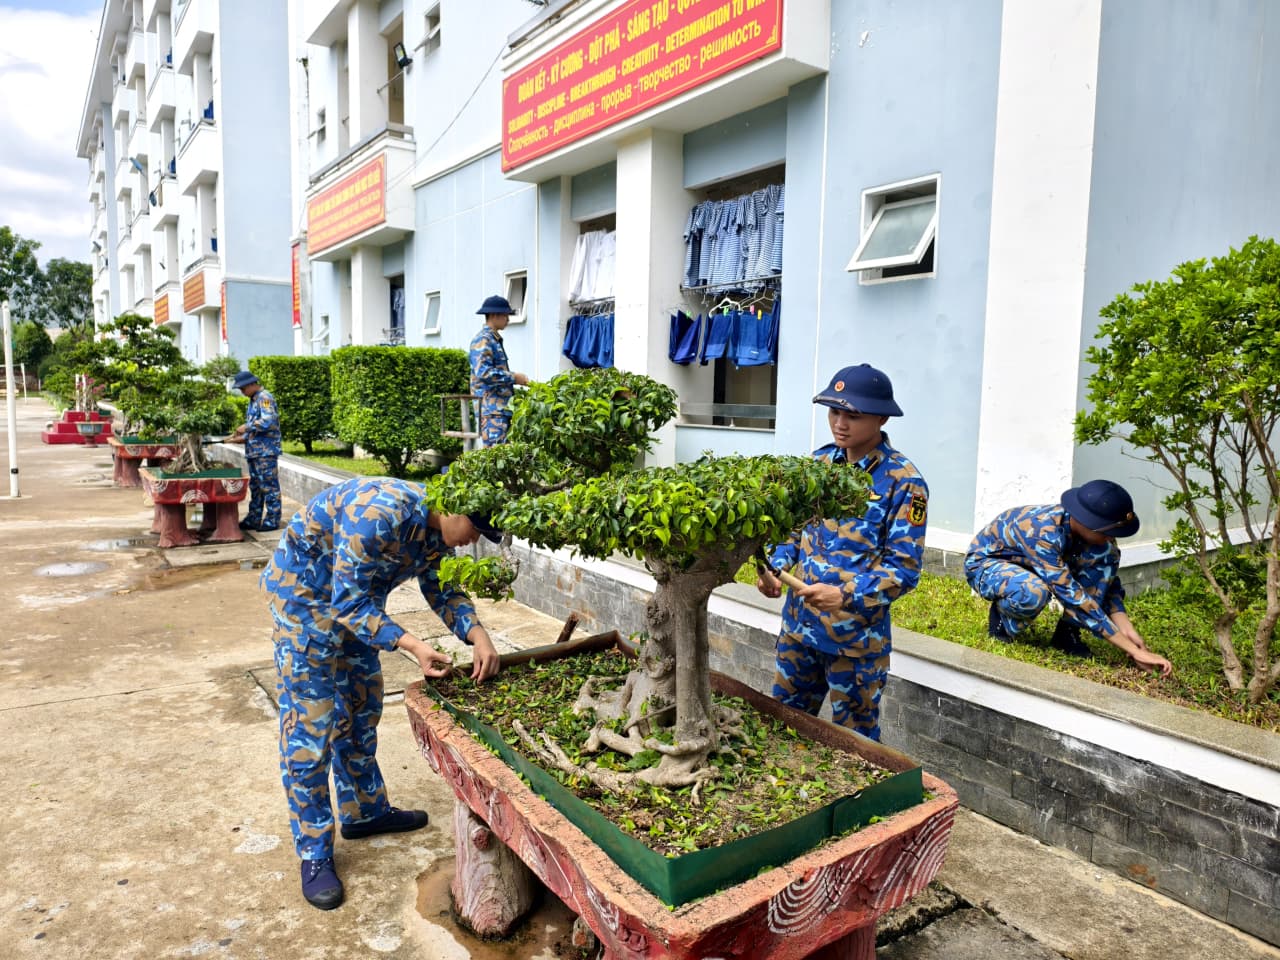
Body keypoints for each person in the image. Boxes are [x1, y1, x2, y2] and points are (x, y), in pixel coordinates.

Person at [259, 476, 504, 910]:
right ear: (454, 510)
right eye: (474, 531)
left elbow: (441, 586)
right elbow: (346, 603)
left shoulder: (435, 531)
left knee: (361, 706)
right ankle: (314, 854)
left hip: (356, 606)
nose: (471, 544)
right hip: (303, 604)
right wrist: (412, 645)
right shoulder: (379, 514)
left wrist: (477, 633)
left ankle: (364, 811)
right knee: (310, 730)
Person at [757, 364, 929, 741]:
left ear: (882, 417)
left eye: (853, 415)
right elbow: (792, 529)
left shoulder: (904, 483)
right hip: (799, 632)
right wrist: (775, 566)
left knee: (856, 747)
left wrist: (846, 596)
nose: (840, 423)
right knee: (780, 729)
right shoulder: (817, 465)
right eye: (834, 412)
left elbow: (904, 569)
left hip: (854, 644)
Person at [965, 479, 1173, 677]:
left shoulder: (1097, 539)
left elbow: (1108, 585)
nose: (1111, 538)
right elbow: (1070, 593)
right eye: (1107, 532)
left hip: (1036, 566)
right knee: (1032, 591)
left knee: (1106, 555)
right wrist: (1133, 651)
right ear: (1087, 522)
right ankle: (1002, 620)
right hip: (989, 564)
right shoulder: (1042, 531)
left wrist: (1129, 633)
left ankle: (1067, 634)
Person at [468, 294, 528, 446]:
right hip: (491, 410)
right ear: (494, 315)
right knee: (496, 459)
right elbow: (484, 373)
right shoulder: (484, 339)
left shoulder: (493, 339)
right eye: (506, 315)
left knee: (506, 458)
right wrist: (514, 377)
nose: (508, 319)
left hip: (499, 410)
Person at [229, 370, 281, 532]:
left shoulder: (265, 398)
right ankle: (254, 518)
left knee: (269, 486)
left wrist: (247, 427)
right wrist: (243, 437)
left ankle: (273, 520)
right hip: (255, 451)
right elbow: (258, 428)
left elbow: (268, 421)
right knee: (256, 487)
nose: (242, 392)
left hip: (265, 453)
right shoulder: (254, 399)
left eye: (243, 388)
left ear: (252, 384)